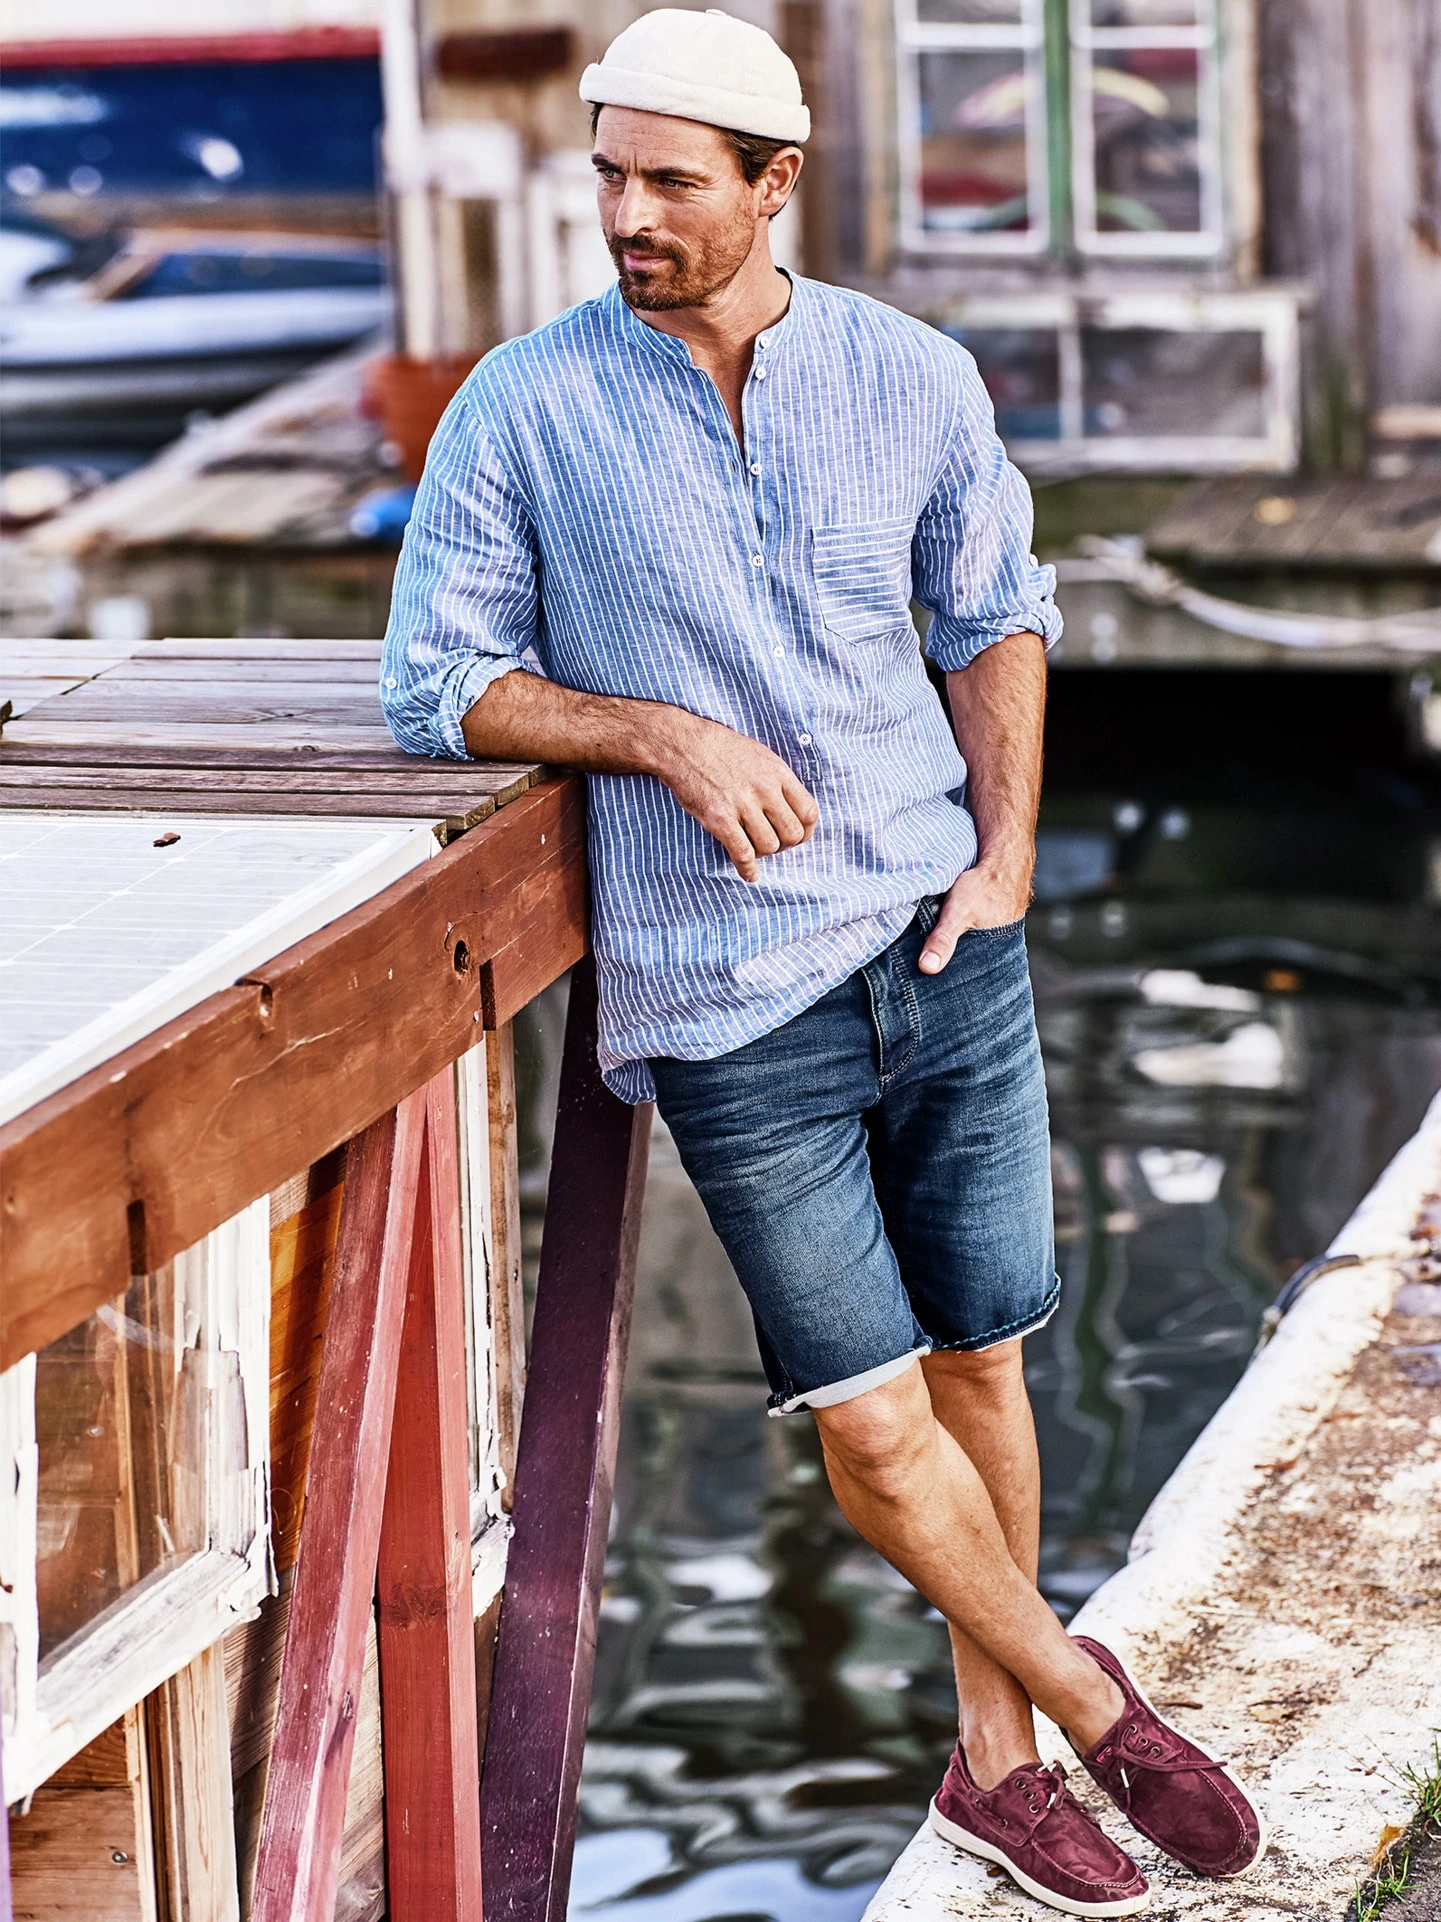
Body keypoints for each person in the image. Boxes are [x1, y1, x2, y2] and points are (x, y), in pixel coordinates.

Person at [380, 10, 1265, 1914]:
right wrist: (660, 736)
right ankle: (1094, 1704)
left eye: (667, 180)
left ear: (775, 184)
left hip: (941, 936)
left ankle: (997, 1766)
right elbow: (435, 681)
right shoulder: (520, 408)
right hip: (724, 988)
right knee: (867, 1409)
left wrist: (1005, 861)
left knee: (984, 1362)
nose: (626, 213)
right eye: (608, 175)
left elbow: (995, 614)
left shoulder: (913, 375)